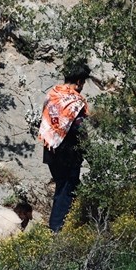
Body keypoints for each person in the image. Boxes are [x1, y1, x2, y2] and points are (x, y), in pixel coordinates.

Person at [38, 63, 91, 232]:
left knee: (63, 186)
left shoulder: (52, 94)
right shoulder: (76, 101)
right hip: (68, 153)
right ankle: (56, 229)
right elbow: (78, 128)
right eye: (83, 83)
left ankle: (63, 224)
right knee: (66, 190)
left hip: (51, 149)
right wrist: (90, 154)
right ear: (79, 81)